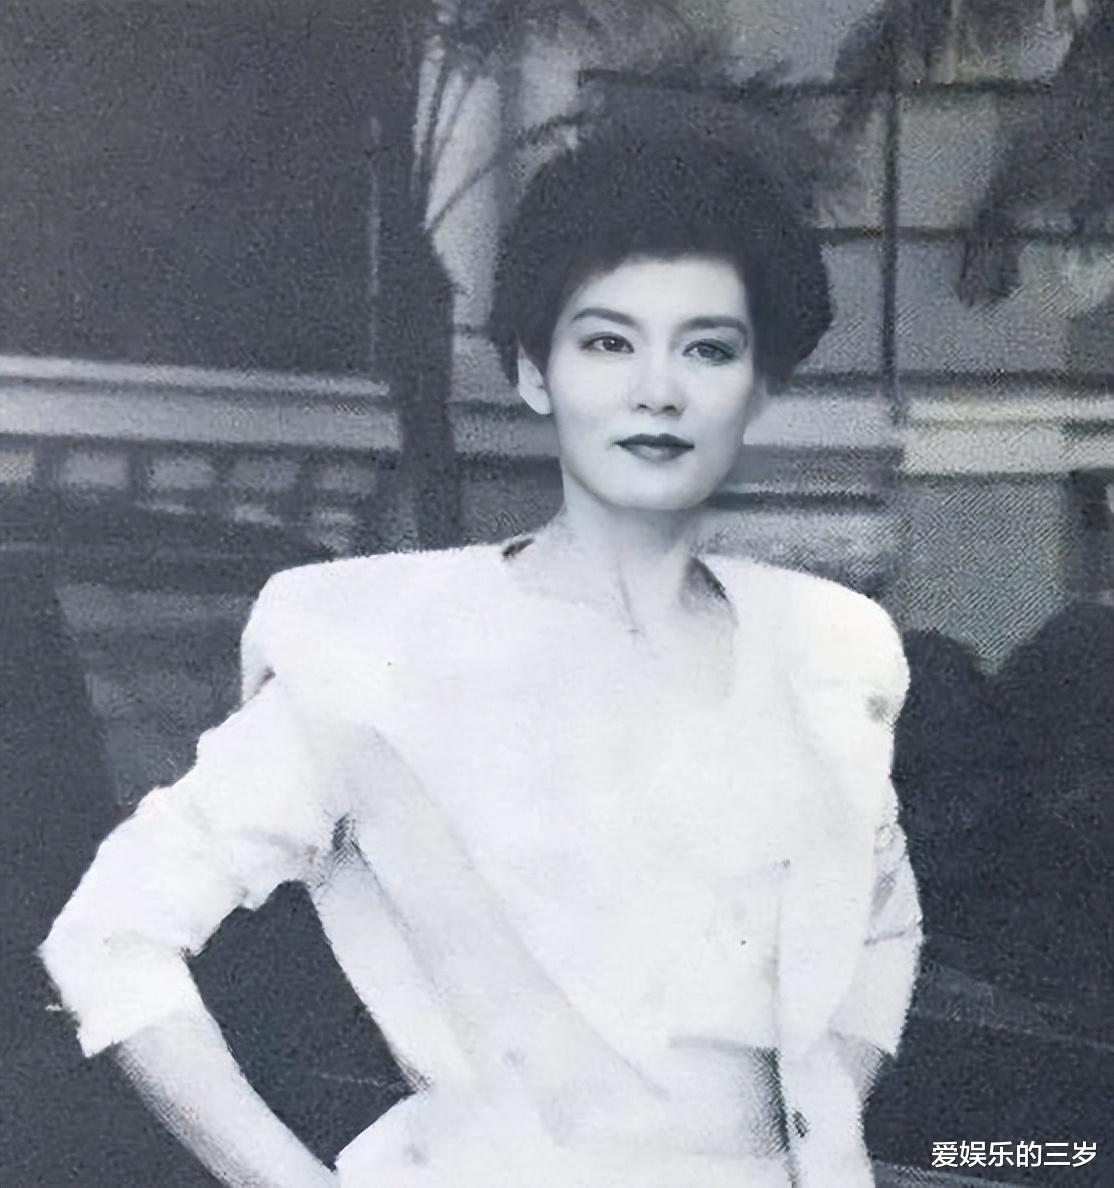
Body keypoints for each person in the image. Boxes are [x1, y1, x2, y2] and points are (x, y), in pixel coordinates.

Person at [38, 129, 922, 1188]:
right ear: (533, 373)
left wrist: (824, 1120)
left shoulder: (827, 647)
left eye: (708, 349)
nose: (658, 389)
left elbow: (881, 922)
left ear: (759, 384)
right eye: (608, 343)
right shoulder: (376, 647)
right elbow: (110, 935)